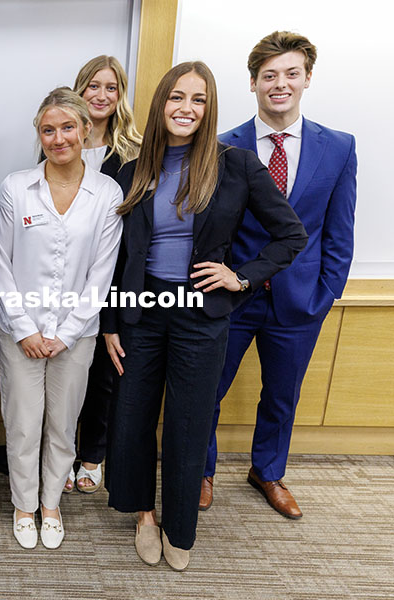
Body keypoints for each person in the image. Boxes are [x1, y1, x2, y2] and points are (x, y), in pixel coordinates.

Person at [102, 61, 306, 571]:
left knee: (189, 422)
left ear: (209, 108)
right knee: (131, 416)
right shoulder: (131, 170)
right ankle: (144, 514)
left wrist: (240, 276)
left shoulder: (235, 165)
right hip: (140, 309)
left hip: (201, 312)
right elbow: (113, 257)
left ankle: (179, 526)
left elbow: (291, 235)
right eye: (176, 98)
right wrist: (109, 322)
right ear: (160, 105)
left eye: (197, 99)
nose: (185, 108)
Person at [201, 31, 357, 518]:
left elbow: (340, 230)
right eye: (269, 75)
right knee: (207, 388)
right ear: (253, 83)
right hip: (231, 298)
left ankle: (267, 471)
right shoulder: (223, 146)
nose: (280, 84)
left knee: (282, 395)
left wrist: (326, 293)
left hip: (299, 300)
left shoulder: (338, 147)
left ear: (307, 78)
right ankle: (202, 470)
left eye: (291, 73)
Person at [0, 87, 122, 549]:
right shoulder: (15, 188)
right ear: (39, 135)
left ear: (87, 130)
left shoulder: (107, 193)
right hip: (18, 332)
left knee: (63, 425)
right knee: (24, 423)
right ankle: (24, 505)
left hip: (77, 335)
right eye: (49, 129)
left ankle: (51, 504)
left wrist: (64, 334)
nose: (59, 137)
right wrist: (26, 329)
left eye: (68, 127)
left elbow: (101, 273)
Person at [64, 55, 142, 494]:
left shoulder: (133, 152)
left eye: (111, 88)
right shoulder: (58, 140)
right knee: (64, 372)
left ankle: (92, 455)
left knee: (104, 374)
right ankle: (57, 453)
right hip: (64, 281)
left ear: (120, 96)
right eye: (93, 86)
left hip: (115, 279)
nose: (101, 95)